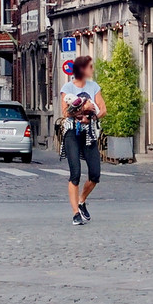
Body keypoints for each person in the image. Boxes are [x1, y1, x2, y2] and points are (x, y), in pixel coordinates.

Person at [59, 54, 107, 224]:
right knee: (75, 173)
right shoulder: (67, 88)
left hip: (89, 133)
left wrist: (93, 115)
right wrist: (79, 113)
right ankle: (75, 214)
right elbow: (65, 112)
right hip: (72, 132)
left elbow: (103, 108)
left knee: (95, 174)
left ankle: (81, 201)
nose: (91, 70)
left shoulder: (94, 87)